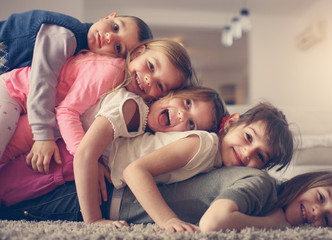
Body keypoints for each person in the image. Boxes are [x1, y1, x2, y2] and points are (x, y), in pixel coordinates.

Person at [1, 101, 294, 232]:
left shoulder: (216, 162)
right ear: (230, 122)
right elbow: (134, 171)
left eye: (260, 157)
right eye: (247, 138)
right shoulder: (204, 144)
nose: (247, 154)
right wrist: (166, 221)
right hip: (94, 177)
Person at [0, 85, 227, 206]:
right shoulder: (130, 106)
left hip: (64, 150)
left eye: (190, 124)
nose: (180, 115)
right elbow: (85, 154)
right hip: (45, 133)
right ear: (171, 93)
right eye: (187, 103)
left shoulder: (146, 129)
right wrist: (94, 221)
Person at [1, 39, 197, 172]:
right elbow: (67, 111)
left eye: (160, 85)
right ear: (138, 52)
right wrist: (88, 161)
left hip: (32, 108)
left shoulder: (124, 86)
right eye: (151, 67)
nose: (148, 79)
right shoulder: (109, 72)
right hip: (14, 90)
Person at [0, 10, 153, 162]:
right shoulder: (65, 35)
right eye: (115, 28)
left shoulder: (96, 59)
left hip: (16, 90)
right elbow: (43, 78)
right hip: (11, 87)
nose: (109, 37)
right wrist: (43, 136)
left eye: (118, 47)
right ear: (110, 16)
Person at [1, 168, 332, 231]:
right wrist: (273, 224)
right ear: (310, 182)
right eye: (321, 197)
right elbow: (212, 224)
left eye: (326, 219)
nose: (316, 212)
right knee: (9, 209)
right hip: (107, 197)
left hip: (113, 202)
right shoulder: (262, 186)